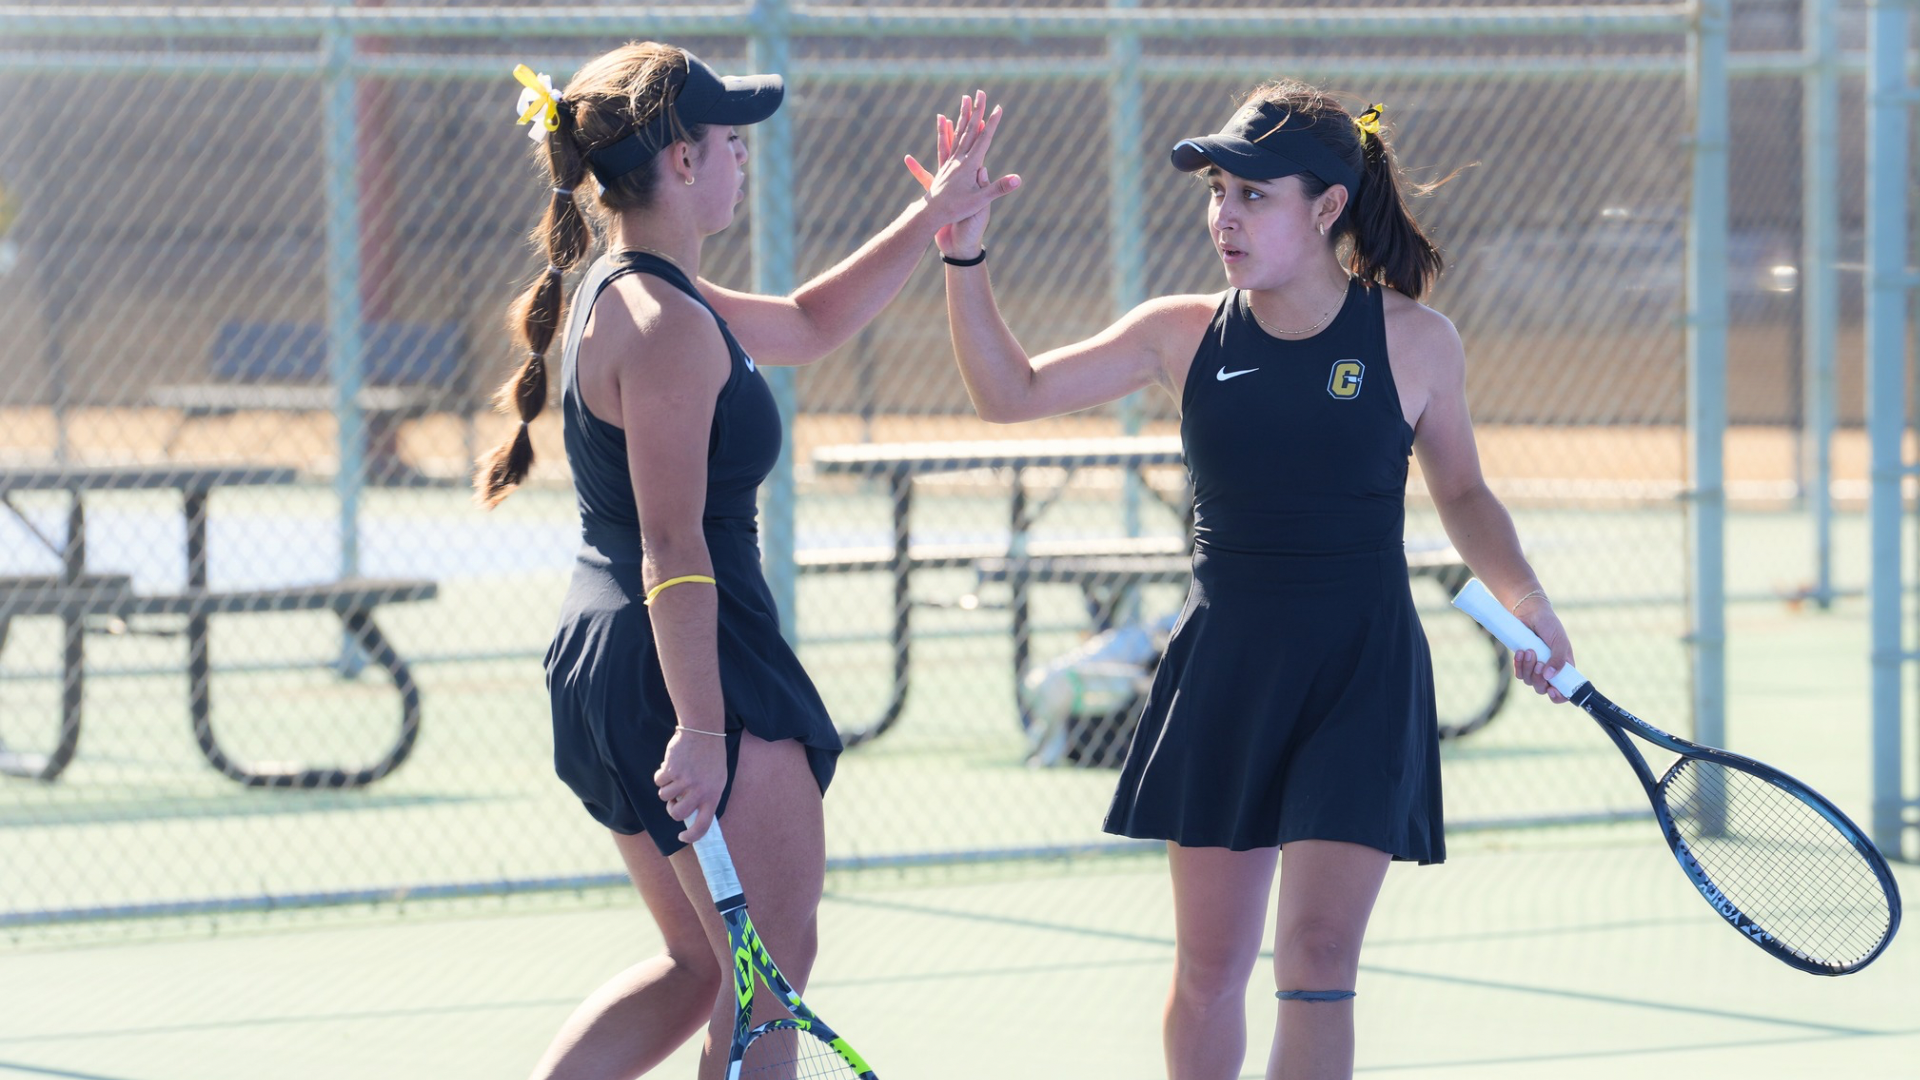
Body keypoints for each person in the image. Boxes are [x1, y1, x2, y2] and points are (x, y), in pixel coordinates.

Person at [914, 83, 1575, 1079]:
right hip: (1226, 671)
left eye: (1255, 195)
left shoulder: (1416, 341)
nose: (1226, 214)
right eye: (1219, 191)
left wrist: (1529, 603)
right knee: (1211, 967)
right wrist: (963, 252)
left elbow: (1467, 496)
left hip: (1362, 676)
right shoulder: (1177, 333)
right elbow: (1011, 395)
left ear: (1327, 208)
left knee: (1316, 959)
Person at [475, 45, 1015, 1080]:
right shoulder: (667, 324)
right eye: (728, 141)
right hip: (682, 658)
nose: (740, 159)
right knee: (770, 975)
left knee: (699, 965)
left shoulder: (635, 291)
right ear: (680, 162)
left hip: (607, 656)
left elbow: (812, 324)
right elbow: (674, 543)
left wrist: (935, 218)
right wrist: (705, 727)